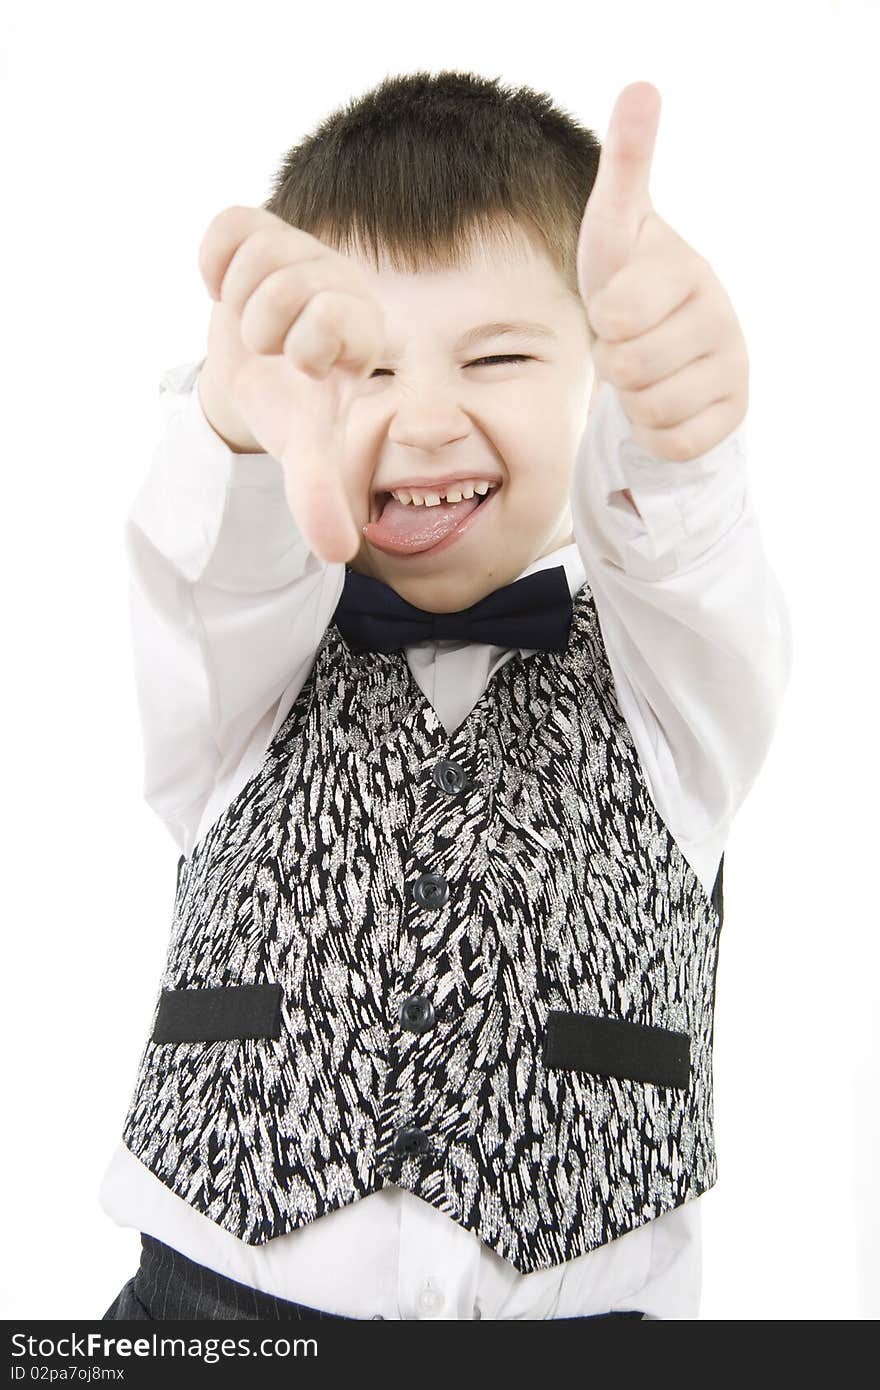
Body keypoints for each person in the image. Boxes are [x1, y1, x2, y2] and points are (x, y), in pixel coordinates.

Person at [99, 70, 792, 1321]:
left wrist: (673, 434)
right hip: (212, 1314)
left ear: (595, 376)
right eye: (358, 371)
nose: (420, 419)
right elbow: (212, 563)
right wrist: (236, 431)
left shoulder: (674, 692)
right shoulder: (235, 682)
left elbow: (686, 563)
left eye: (502, 353)